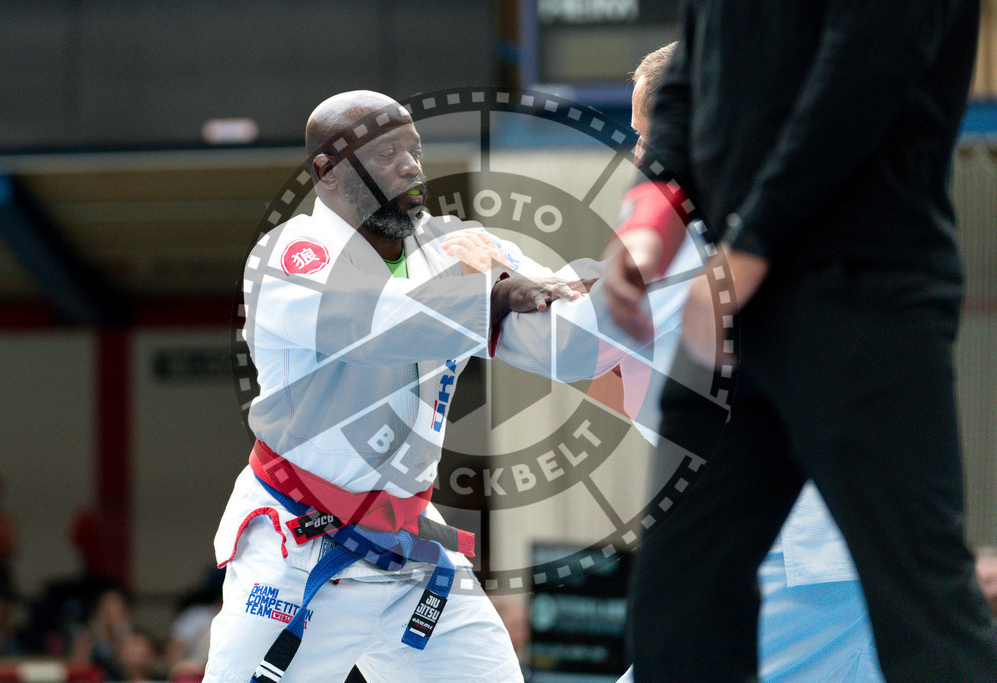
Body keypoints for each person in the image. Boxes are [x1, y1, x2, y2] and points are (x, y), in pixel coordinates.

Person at [604, 1, 997, 680]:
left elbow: (871, 61)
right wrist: (652, 213)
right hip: (733, 314)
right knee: (677, 607)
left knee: (922, 610)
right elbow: (689, 75)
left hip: (861, 293)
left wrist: (756, 240)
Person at [499, 44, 883, 682]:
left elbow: (572, 342)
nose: (643, 160)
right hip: (842, 538)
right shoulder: (798, 206)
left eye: (649, 138)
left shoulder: (697, 236)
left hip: (789, 547)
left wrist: (489, 279)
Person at [205, 90, 579, 683]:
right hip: (299, 551)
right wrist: (494, 293)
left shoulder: (454, 247)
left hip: (409, 554)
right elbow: (376, 325)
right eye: (385, 154)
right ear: (326, 171)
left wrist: (638, 299)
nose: (411, 166)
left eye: (415, 149)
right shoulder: (291, 254)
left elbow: (560, 317)